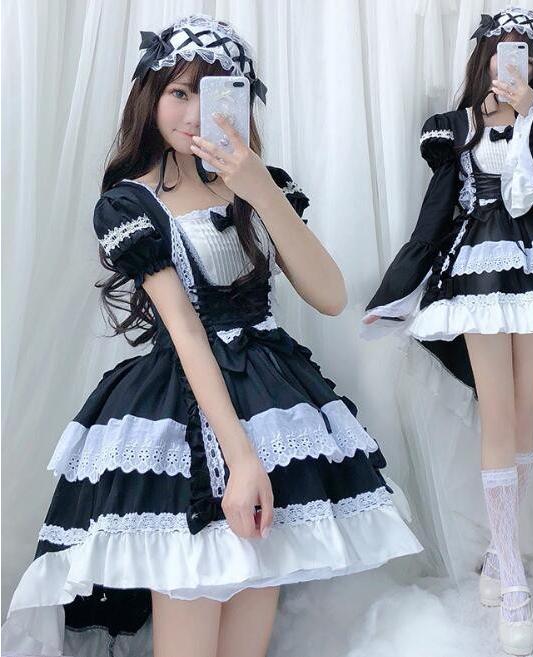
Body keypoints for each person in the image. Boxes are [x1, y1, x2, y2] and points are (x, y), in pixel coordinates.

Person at [2, 14, 423, 657]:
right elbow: (186, 332)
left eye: (214, 93)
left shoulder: (262, 186)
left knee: (249, 627)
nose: (195, 112)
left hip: (276, 409)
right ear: (151, 97)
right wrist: (241, 459)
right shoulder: (129, 204)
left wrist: (257, 187)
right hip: (185, 415)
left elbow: (331, 295)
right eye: (179, 92)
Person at [361, 7, 533, 655]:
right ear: (483, 58)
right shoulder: (455, 128)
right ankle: (512, 575)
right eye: (499, 50)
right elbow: (436, 212)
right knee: (497, 412)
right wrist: (398, 287)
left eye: (521, 53)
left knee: (522, 410)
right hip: (476, 271)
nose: (508, 62)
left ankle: (499, 552)